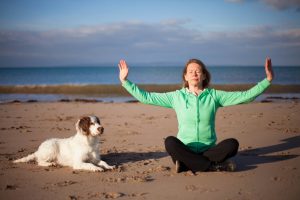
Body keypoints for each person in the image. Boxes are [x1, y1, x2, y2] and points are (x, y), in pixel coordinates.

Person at [118, 58, 274, 173]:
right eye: (190, 71)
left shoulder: (214, 95)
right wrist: (125, 81)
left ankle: (187, 165)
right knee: (170, 142)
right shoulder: (176, 97)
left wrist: (267, 80)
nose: (194, 73)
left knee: (232, 144)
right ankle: (212, 167)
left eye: (198, 71)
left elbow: (245, 96)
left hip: (208, 150)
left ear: (204, 76)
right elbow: (147, 97)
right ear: (185, 77)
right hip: (185, 150)